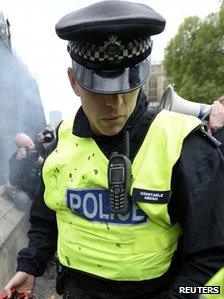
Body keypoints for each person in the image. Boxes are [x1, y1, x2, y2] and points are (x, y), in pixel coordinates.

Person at [4, 1, 224, 299]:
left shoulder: (186, 147)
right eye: (100, 90)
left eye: (127, 86)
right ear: (74, 82)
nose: (116, 105)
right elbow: (47, 213)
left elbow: (213, 258)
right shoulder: (62, 140)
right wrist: (30, 265)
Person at [8, 133, 43, 198]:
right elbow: (12, 182)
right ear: (21, 148)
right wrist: (18, 161)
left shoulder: (37, 146)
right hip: (30, 192)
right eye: (29, 145)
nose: (32, 146)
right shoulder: (16, 158)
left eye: (31, 142)